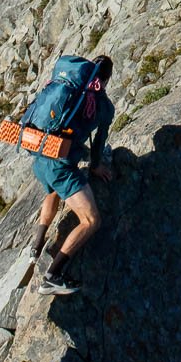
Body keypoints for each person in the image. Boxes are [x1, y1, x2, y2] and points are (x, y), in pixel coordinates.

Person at [28, 55, 115, 296]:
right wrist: (96, 165)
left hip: (41, 155)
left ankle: (36, 246)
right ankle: (53, 276)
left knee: (53, 191)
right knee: (91, 220)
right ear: (106, 79)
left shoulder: (69, 90)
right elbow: (99, 143)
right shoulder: (103, 106)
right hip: (60, 166)